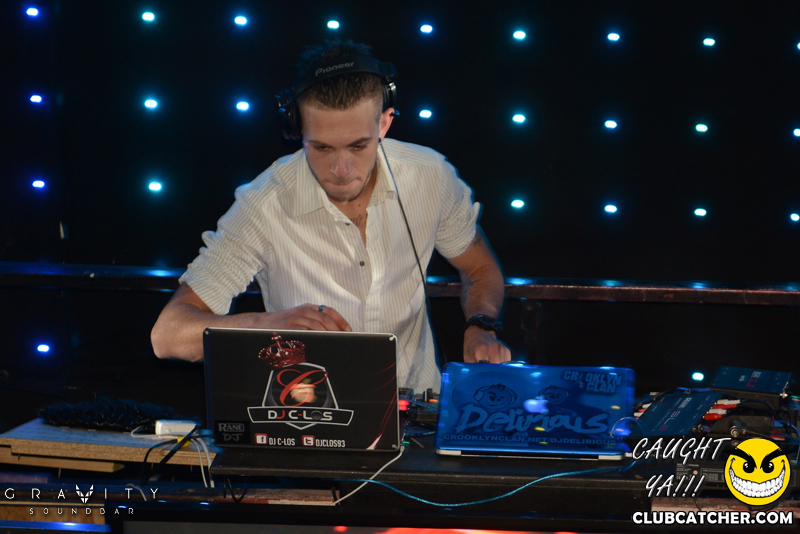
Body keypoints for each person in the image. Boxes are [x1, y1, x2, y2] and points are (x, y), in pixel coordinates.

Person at [151, 39, 511, 393]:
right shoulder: (263, 204)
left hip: (415, 409)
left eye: (358, 146)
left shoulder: (431, 177)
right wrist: (269, 326)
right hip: (311, 415)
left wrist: (480, 326)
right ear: (298, 130)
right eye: (321, 147)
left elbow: (479, 268)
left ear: (384, 124)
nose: (341, 169)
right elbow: (168, 335)